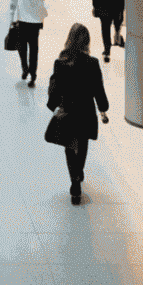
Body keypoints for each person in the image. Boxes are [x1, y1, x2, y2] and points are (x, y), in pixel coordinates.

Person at [46, 23, 109, 204]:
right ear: (87, 42)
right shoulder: (93, 63)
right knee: (82, 145)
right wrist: (103, 107)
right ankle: (78, 173)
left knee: (69, 146)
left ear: (69, 39)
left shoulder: (61, 63)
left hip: (68, 111)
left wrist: (53, 104)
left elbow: (55, 90)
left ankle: (74, 181)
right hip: (86, 113)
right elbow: (98, 89)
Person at [9, 0, 47, 85]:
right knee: (34, 48)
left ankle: (24, 67)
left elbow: (13, 0)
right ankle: (33, 74)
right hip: (35, 20)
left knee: (22, 46)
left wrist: (11, 19)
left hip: (22, 19)